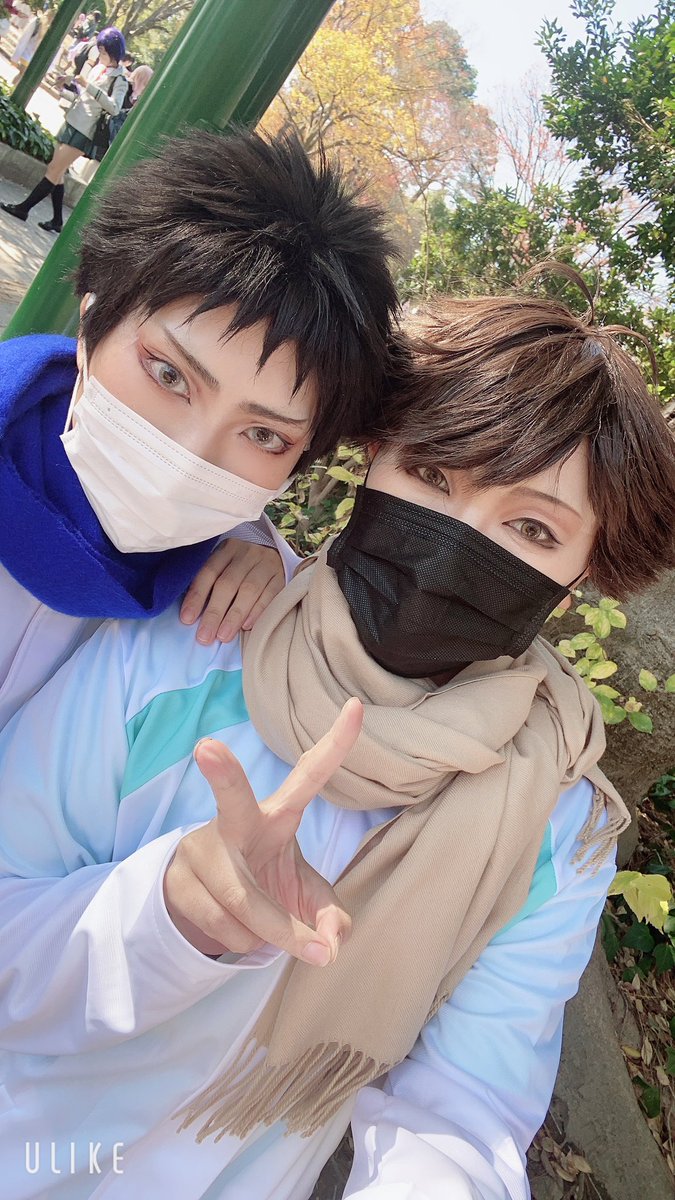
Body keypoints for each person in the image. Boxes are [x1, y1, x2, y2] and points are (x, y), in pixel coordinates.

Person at [0, 277, 673, 1199]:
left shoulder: (553, 824)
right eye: (431, 475)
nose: (451, 543)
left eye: (529, 527)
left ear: (580, 573)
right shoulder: (188, 641)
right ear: (374, 455)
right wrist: (167, 913)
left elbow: (465, 1109)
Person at [0, 127, 399, 730]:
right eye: (169, 375)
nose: (187, 460)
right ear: (92, 321)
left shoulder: (232, 592)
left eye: (264, 435)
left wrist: (260, 547)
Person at [2, 26, 128, 232]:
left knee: (54, 169)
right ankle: (57, 220)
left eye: (104, 52)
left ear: (114, 52)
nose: (101, 55)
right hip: (72, 120)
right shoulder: (98, 68)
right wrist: (68, 84)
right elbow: (84, 95)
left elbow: (114, 108)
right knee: (58, 172)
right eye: (100, 50)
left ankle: (23, 208)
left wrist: (89, 86)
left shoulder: (120, 80)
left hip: (85, 131)